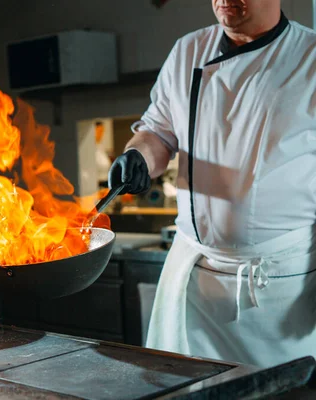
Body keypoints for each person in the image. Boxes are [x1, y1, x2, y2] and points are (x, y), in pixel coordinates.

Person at [109, 0, 316, 368]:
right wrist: (139, 155)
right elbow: (157, 132)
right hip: (197, 287)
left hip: (283, 289)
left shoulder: (310, 57)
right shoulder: (188, 50)